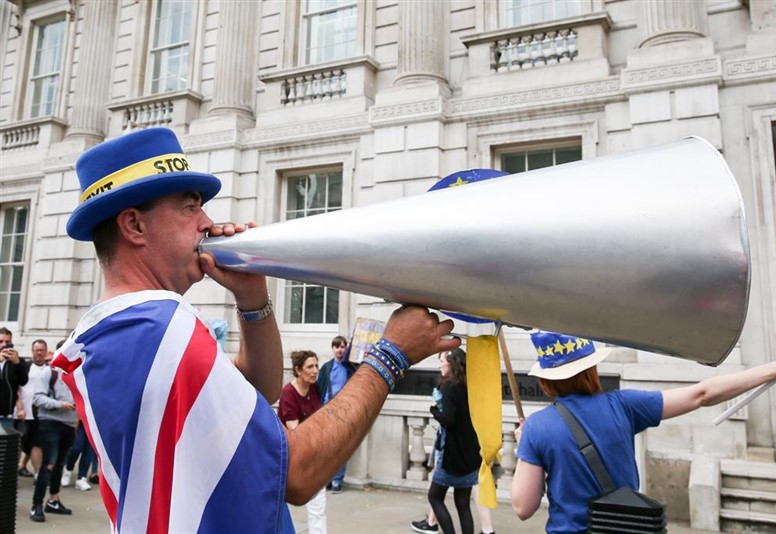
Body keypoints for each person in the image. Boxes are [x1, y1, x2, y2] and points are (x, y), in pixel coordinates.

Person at [50, 127, 460, 533]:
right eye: (190, 206)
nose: (208, 222)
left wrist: (253, 302)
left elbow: (257, 393)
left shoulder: (121, 331)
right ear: (135, 226)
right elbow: (297, 472)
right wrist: (390, 356)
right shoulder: (162, 328)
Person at [511, 330, 776, 533]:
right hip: (629, 529)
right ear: (592, 369)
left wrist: (523, 445)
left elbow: (523, 508)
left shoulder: (537, 428)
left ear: (547, 381)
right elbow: (702, 394)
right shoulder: (625, 406)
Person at [426, 348, 481, 534]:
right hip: (470, 454)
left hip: (452, 455)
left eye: (442, 360)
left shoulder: (449, 387)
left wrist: (434, 411)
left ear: (451, 362)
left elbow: (448, 419)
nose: (440, 364)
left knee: (434, 497)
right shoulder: (469, 385)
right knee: (463, 504)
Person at [279, 350, 327, 533]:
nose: (315, 371)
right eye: (310, 367)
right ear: (298, 370)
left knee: (318, 508)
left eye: (316, 366)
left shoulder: (316, 388)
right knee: (283, 510)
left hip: (314, 456)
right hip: (292, 459)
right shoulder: (288, 394)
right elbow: (296, 431)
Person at [30, 349, 78, 522]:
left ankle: (53, 500)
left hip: (69, 424)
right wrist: (61, 404)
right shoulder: (49, 372)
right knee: (49, 464)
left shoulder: (77, 375)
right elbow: (38, 398)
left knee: (59, 464)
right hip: (51, 423)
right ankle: (36, 505)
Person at [316, 334, 357, 493]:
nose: (340, 350)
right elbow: (320, 387)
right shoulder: (326, 367)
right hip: (327, 410)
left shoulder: (351, 367)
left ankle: (337, 480)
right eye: (337, 346)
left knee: (341, 447)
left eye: (342, 347)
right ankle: (326, 478)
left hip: (344, 411)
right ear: (332, 349)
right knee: (325, 448)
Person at [17, 339, 51, 478]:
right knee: (23, 442)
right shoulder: (25, 366)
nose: (39, 353)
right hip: (24, 413)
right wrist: (19, 407)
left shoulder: (48, 368)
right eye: (37, 350)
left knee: (36, 442)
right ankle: (19, 467)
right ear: (32, 351)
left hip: (41, 413)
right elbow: (17, 387)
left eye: (42, 350)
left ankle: (37, 474)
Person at [0, 326, 28, 431]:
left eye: (7, 342)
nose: (4, 345)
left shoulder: (17, 361)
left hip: (7, 415)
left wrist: (17, 364)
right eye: (0, 341)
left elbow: (24, 381)